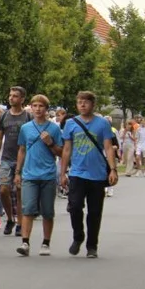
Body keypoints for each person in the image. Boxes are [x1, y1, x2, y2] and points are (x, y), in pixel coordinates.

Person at [60, 91, 117, 258]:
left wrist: (113, 169)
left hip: (98, 174)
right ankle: (78, 236)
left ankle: (92, 245)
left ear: (93, 104)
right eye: (79, 102)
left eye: (86, 102)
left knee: (95, 211)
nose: (82, 105)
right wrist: (62, 173)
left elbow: (108, 147)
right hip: (77, 172)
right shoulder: (71, 123)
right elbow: (67, 149)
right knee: (75, 206)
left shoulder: (103, 124)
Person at [15, 94, 64, 256]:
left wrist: (50, 143)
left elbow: (61, 152)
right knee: (27, 209)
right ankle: (25, 242)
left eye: (41, 106)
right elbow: (22, 150)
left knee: (47, 211)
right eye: (35, 106)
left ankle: (45, 242)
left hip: (48, 174)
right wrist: (18, 172)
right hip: (29, 174)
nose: (37, 109)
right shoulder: (26, 128)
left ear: (46, 109)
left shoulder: (54, 129)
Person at [0, 87, 33, 238]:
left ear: (22, 99)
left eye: (15, 96)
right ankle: (10, 218)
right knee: (3, 190)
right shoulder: (4, 116)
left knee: (19, 191)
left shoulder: (27, 116)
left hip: (23, 159)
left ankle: (19, 222)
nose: (11, 98)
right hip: (6, 158)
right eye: (10, 95)